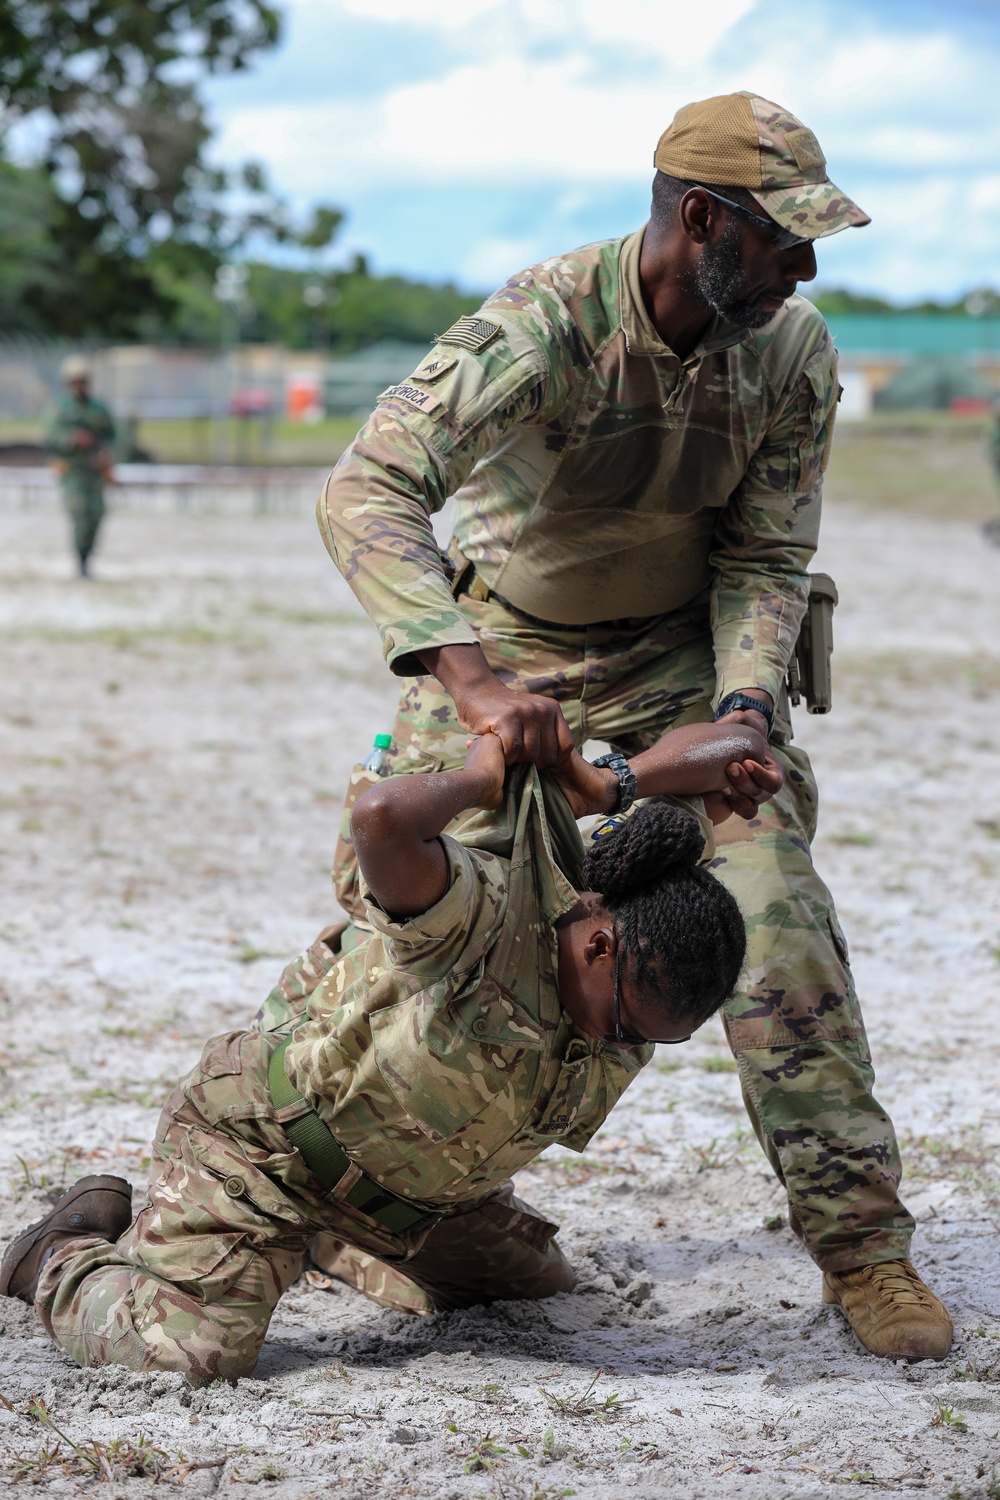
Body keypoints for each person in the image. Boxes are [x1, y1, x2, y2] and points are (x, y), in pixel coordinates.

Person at [314, 90, 952, 1359]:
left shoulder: (790, 353)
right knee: (420, 938)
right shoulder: (545, 325)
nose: (807, 268)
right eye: (786, 239)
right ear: (699, 217)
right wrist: (478, 686)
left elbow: (767, 557)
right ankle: (364, 1209)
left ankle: (861, 1246)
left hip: (678, 674)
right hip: (516, 678)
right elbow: (367, 485)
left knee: (777, 919)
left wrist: (741, 713)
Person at [2, 720, 760, 1385]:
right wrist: (479, 775)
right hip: (267, 1155)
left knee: (538, 1297)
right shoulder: (483, 914)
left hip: (418, 1205)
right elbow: (382, 819)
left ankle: (320, 1247)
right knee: (194, 1356)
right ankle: (58, 1254)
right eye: (626, 1026)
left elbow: (741, 750)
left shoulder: (652, 956)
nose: (621, 1046)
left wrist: (619, 782)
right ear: (598, 944)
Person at [45, 355, 115, 577]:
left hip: (94, 471)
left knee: (96, 514)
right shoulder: (59, 408)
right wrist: (73, 439)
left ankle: (88, 556)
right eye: (75, 381)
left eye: (83, 381)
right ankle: (80, 560)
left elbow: (113, 435)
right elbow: (50, 436)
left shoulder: (98, 408)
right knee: (79, 514)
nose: (79, 385)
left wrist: (107, 455)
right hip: (72, 470)